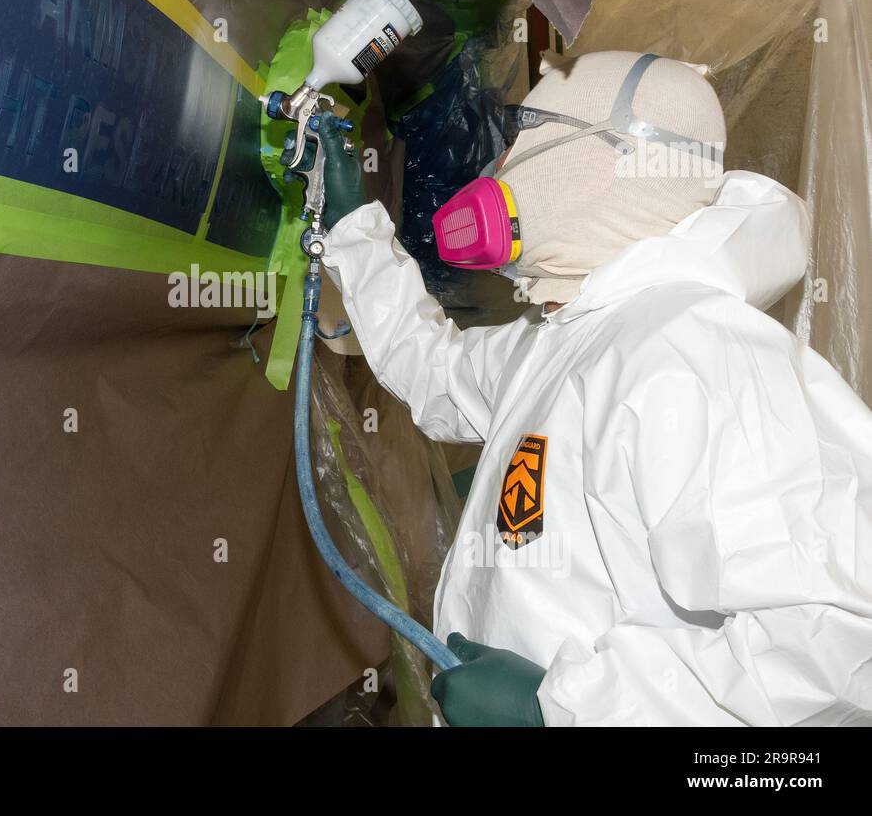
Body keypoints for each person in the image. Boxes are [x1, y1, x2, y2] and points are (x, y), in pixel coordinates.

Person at [314, 50, 872, 726]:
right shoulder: (571, 334)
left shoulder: (700, 355)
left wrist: (562, 708)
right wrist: (353, 229)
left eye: (524, 135)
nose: (502, 162)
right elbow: (434, 370)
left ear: (607, 161)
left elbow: (837, 646)